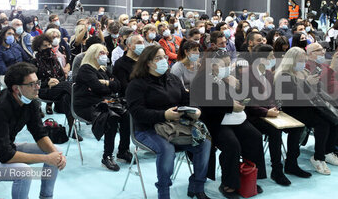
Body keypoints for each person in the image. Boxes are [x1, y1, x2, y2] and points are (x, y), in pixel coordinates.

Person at [0, 62, 65, 199]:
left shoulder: (31, 102)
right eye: (32, 84)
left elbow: (39, 134)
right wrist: (46, 158)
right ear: (16, 89)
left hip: (3, 148)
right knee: (24, 172)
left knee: (56, 152)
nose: (37, 87)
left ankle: (46, 197)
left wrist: (54, 155)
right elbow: (6, 155)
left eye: (38, 82)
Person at [126, 45, 211, 199]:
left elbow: (188, 99)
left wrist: (195, 109)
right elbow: (137, 113)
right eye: (158, 58)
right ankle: (163, 193)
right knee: (166, 149)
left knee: (204, 142)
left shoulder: (173, 79)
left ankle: (197, 186)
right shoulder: (136, 84)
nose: (164, 60)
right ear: (148, 63)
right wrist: (164, 115)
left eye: (164, 57)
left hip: (176, 126)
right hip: (147, 129)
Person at [191, 50, 265, 197]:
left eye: (228, 64)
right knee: (232, 144)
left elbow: (245, 96)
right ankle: (229, 183)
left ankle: (247, 175)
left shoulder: (228, 77)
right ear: (212, 66)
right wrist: (230, 106)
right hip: (215, 122)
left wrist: (237, 86)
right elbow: (207, 107)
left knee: (254, 136)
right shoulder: (201, 80)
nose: (227, 67)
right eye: (223, 65)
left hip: (235, 118)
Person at [246, 44, 310, 185]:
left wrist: (273, 108)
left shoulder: (269, 73)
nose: (274, 58)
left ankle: (291, 164)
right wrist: (265, 112)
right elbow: (248, 102)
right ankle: (277, 170)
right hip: (254, 116)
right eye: (271, 56)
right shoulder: (247, 74)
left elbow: (272, 97)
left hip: (269, 111)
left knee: (297, 127)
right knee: (275, 132)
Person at [275, 47, 338, 175]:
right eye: (300, 60)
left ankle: (323, 153)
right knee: (321, 123)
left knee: (333, 118)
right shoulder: (283, 74)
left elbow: (313, 92)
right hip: (291, 108)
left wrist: (314, 83)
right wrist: (306, 83)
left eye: (304, 60)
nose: (303, 63)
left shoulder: (304, 71)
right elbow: (292, 97)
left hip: (307, 105)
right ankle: (315, 158)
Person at [74, 44, 131, 171]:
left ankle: (123, 150)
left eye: (105, 52)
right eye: (101, 53)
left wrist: (106, 83)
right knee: (111, 117)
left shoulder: (103, 69)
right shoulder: (85, 69)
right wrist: (108, 86)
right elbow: (98, 88)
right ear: (93, 54)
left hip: (104, 102)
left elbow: (118, 85)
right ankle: (107, 156)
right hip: (85, 105)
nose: (105, 55)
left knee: (126, 114)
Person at [32, 34, 78, 139]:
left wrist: (57, 81)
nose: (48, 47)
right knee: (69, 87)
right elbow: (32, 83)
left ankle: (71, 127)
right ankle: (80, 112)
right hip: (42, 89)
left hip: (58, 87)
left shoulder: (55, 59)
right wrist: (47, 83)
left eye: (49, 45)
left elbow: (62, 76)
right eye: (45, 46)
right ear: (38, 48)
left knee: (67, 95)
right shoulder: (34, 62)